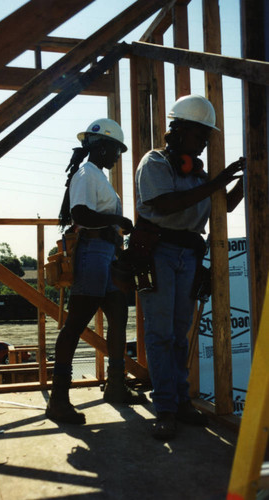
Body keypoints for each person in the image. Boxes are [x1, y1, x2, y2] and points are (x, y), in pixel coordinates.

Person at [135, 94, 245, 440]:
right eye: (200, 136)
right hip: (160, 252)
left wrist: (245, 177)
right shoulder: (155, 163)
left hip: (188, 255)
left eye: (207, 138)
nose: (203, 144)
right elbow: (166, 204)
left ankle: (182, 401)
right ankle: (165, 407)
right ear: (179, 131)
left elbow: (222, 206)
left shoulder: (197, 172)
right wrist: (220, 178)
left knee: (180, 334)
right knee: (160, 333)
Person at [46, 118, 148, 425]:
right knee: (75, 323)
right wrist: (116, 223)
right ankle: (59, 400)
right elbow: (80, 214)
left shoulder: (97, 176)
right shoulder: (87, 174)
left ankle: (115, 384)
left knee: (118, 313)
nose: (117, 156)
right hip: (92, 253)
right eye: (116, 150)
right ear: (102, 146)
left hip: (105, 255)